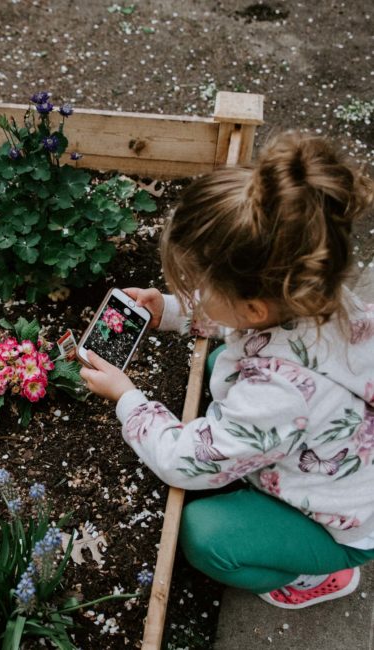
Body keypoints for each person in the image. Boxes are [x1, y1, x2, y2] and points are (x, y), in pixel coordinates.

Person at [80, 131, 374, 609]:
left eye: (198, 285)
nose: (192, 289)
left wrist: (128, 399)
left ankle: (317, 574)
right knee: (221, 363)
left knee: (204, 535)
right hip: (336, 448)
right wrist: (171, 311)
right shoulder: (317, 293)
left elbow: (183, 462)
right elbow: (243, 323)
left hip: (341, 523)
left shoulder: (274, 396)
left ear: (255, 307)